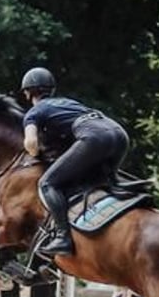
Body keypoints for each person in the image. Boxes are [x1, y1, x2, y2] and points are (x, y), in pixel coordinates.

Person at [21, 67, 130, 255]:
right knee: (102, 181)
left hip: (94, 136)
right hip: (119, 134)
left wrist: (34, 150)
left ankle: (63, 238)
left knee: (47, 184)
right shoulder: (69, 103)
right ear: (51, 89)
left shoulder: (35, 111)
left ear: (28, 92)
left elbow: (31, 144)